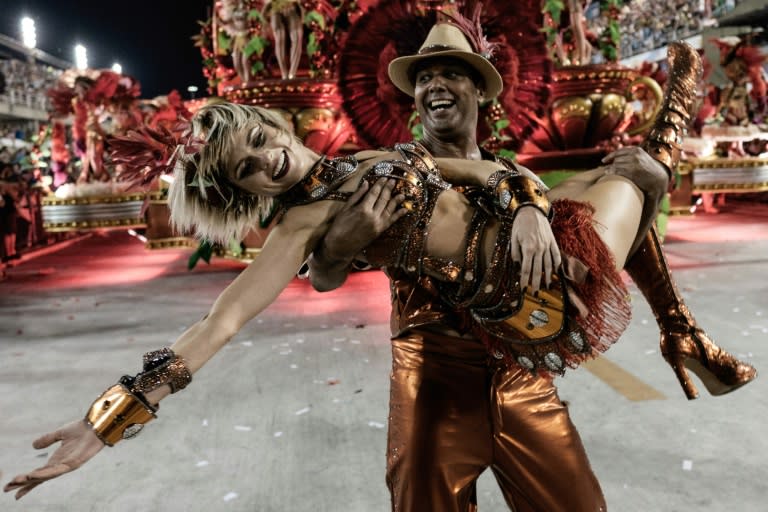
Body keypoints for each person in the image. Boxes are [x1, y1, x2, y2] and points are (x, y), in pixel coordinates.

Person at [0, 23, 743, 511]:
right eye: (250, 169)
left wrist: (523, 201)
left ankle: (674, 253)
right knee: (640, 179)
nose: (269, 157)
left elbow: (491, 175)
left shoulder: (375, 160)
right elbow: (221, 318)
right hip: (482, 336)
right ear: (247, 193)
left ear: (273, 125)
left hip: (553, 269)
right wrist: (115, 413)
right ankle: (670, 191)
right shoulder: (301, 225)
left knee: (641, 177)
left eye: (260, 137)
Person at [306, 21, 755, 511]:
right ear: (414, 97)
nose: (434, 85)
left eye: (450, 73)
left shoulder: (521, 177)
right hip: (434, 387)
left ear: (479, 88)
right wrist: (335, 248)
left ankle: (679, 327)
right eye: (424, 77)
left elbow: (609, 245)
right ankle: (681, 331)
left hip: (524, 377)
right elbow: (324, 278)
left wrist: (651, 184)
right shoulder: (392, 172)